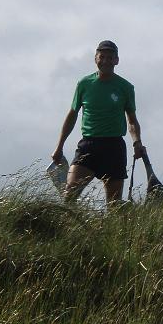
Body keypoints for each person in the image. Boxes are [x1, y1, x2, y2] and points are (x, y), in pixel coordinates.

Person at [51, 40, 145, 206]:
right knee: (69, 195)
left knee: (114, 205)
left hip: (114, 146)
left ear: (116, 60)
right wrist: (59, 147)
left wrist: (137, 142)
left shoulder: (125, 87)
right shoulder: (84, 84)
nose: (106, 61)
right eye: (102, 57)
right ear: (96, 59)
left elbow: (132, 120)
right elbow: (72, 115)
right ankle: (67, 230)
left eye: (110, 57)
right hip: (88, 145)